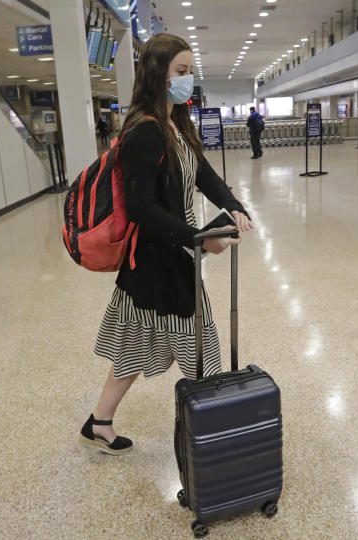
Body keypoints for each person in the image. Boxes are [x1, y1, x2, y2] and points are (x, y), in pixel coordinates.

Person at [79, 34, 254, 455]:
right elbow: (141, 208)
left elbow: (205, 175)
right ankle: (215, 441)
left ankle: (99, 423)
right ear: (158, 75)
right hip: (161, 261)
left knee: (135, 346)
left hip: (162, 257)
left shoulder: (176, 122)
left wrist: (233, 206)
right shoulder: (146, 132)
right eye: (180, 71)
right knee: (201, 348)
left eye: (191, 71)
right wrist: (197, 239)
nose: (187, 79)